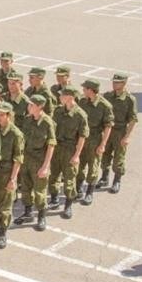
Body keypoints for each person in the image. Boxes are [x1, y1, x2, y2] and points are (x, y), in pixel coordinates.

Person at [14, 95, 56, 231]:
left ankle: (41, 216)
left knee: (40, 191)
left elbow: (51, 145)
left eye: (31, 105)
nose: (29, 107)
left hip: (39, 161)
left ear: (39, 106)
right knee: (25, 188)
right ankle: (28, 212)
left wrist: (45, 166)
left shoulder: (47, 122)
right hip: (26, 159)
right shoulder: (27, 120)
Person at [48, 86, 89, 219]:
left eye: (62, 95)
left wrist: (77, 155)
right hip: (57, 148)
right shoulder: (58, 111)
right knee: (53, 175)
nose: (59, 97)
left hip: (70, 149)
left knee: (69, 178)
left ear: (70, 97)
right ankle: (54, 199)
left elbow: (82, 137)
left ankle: (68, 205)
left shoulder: (80, 115)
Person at [0, 102, 24, 249]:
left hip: (6, 173)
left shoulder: (16, 134)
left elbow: (18, 159)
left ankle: (2, 233)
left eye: (2, 115)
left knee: (5, 207)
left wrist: (13, 179)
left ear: (9, 116)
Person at [99, 73, 138, 193]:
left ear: (124, 83)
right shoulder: (108, 96)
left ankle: (117, 180)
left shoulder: (129, 99)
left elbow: (132, 119)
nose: (114, 84)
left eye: (117, 82)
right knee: (104, 154)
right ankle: (104, 177)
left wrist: (127, 137)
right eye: (114, 82)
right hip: (107, 130)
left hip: (120, 131)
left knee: (118, 158)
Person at [76, 79, 113, 205]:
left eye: (85, 88)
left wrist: (102, 144)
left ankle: (89, 193)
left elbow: (108, 126)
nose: (83, 90)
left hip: (95, 139)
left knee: (93, 167)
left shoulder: (104, 106)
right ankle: (79, 188)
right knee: (79, 165)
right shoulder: (82, 101)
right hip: (82, 138)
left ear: (91, 90)